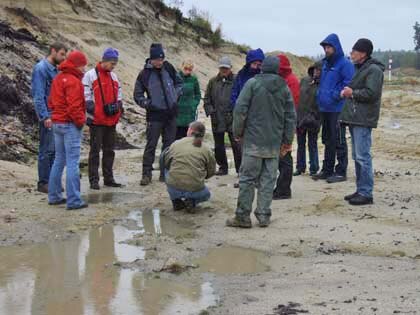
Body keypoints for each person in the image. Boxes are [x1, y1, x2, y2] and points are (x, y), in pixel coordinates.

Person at [226, 56, 296, 228]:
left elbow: (240, 109)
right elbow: (290, 117)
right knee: (268, 179)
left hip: (253, 141)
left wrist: (237, 132)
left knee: (247, 179)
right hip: (274, 142)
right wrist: (287, 141)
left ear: (263, 68)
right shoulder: (284, 87)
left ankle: (242, 216)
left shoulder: (252, 84)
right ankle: (264, 215)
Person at [340, 38, 385, 205]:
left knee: (362, 156)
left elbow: (372, 94)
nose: (351, 54)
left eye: (354, 51)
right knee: (357, 156)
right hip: (356, 118)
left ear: (363, 53)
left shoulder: (373, 70)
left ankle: (366, 193)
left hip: (363, 119)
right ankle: (361, 190)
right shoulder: (361, 68)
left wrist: (351, 93)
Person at [133, 43, 183, 186]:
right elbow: (137, 95)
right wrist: (148, 104)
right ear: (151, 59)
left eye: (162, 59)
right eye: (157, 60)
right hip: (154, 116)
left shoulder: (169, 67)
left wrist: (176, 95)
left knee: (169, 146)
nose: (160, 62)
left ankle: (165, 173)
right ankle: (146, 175)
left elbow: (179, 83)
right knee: (151, 145)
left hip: (171, 114)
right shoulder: (144, 74)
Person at [48, 50, 88, 210]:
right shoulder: (74, 82)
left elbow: (51, 102)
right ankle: (74, 200)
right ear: (77, 65)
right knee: (72, 162)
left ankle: (54, 196)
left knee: (59, 160)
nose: (84, 69)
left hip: (57, 122)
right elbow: (74, 107)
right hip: (69, 124)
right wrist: (81, 122)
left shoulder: (58, 78)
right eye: (83, 66)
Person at [312, 33, 354, 183]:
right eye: (325, 47)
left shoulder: (345, 64)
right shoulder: (325, 64)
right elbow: (323, 83)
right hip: (325, 108)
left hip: (338, 108)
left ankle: (341, 171)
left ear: (336, 48)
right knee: (327, 140)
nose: (327, 50)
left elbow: (349, 83)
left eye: (329, 47)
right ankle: (327, 169)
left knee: (339, 140)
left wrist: (335, 95)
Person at [83, 47, 123, 190]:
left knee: (109, 150)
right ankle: (94, 180)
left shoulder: (114, 77)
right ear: (105, 61)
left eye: (115, 64)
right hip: (96, 121)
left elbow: (119, 96)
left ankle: (108, 178)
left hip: (111, 121)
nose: (113, 67)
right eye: (112, 63)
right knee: (94, 151)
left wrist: (118, 108)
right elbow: (86, 95)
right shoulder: (90, 75)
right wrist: (93, 110)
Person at [31, 42, 68, 193]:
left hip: (57, 115)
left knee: (55, 150)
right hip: (49, 116)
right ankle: (43, 182)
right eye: (62, 54)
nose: (64, 57)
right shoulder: (41, 69)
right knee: (46, 150)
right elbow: (38, 96)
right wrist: (45, 116)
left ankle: (53, 181)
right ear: (53, 51)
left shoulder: (56, 70)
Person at [162, 121, 216, 213]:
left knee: (167, 169)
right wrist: (202, 175)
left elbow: (166, 163)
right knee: (206, 195)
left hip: (174, 187)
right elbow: (212, 171)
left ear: (190, 131)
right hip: (195, 189)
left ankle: (176, 200)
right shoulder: (206, 148)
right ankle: (192, 201)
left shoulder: (176, 143)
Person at [204, 56, 242, 176]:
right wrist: (211, 111)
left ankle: (240, 169)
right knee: (219, 145)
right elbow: (206, 99)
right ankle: (222, 167)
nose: (224, 70)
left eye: (226, 68)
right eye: (222, 68)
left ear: (230, 68)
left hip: (233, 118)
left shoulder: (237, 80)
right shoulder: (213, 81)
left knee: (236, 145)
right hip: (217, 118)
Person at [273, 54, 300, 200]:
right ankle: (282, 188)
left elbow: (292, 107)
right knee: (282, 157)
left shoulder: (291, 81)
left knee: (285, 157)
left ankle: (284, 189)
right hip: (281, 124)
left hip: (285, 125)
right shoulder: (285, 80)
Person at [294, 62, 322, 176]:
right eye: (315, 70)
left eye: (319, 70)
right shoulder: (305, 80)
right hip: (300, 116)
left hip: (314, 118)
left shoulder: (324, 84)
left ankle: (314, 168)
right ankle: (300, 167)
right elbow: (298, 97)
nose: (316, 72)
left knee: (312, 143)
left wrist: (317, 118)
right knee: (300, 143)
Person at [176, 60, 201, 140]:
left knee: (188, 137)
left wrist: (194, 104)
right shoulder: (175, 77)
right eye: (186, 69)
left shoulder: (194, 79)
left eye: (190, 69)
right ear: (182, 67)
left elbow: (198, 94)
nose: (187, 71)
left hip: (189, 113)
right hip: (177, 112)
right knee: (176, 137)